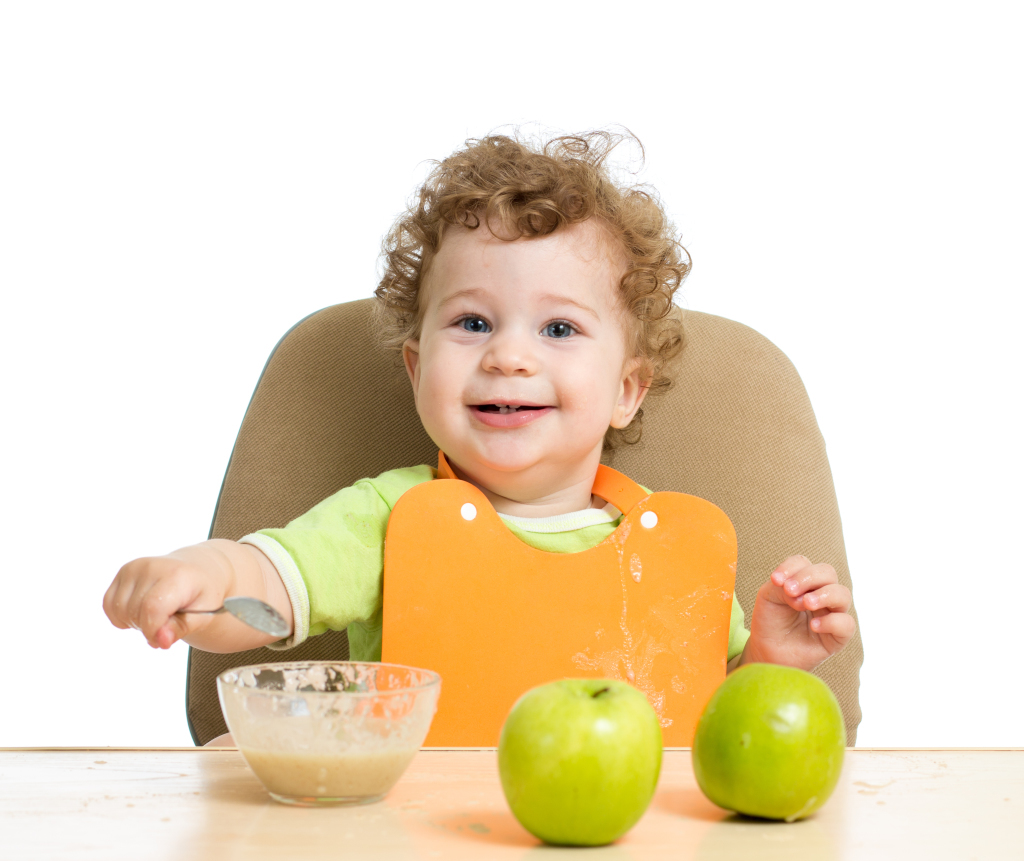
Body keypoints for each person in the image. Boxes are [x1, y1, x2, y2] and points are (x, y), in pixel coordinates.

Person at [103, 130, 855, 741]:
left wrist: (770, 660)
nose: (509, 355)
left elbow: (721, 728)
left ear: (626, 390)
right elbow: (266, 583)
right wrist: (200, 574)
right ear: (416, 365)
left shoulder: (670, 549)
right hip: (416, 855)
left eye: (559, 327)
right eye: (472, 323)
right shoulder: (387, 518)